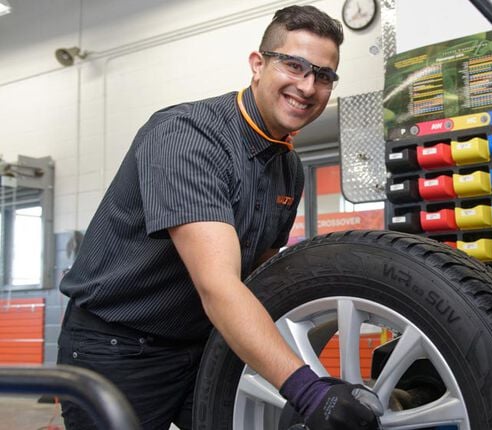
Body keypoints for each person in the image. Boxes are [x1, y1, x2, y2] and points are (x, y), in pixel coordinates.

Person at [57, 5, 383, 430]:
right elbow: (219, 285)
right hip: (117, 346)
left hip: (202, 343)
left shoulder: (288, 166)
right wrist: (308, 389)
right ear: (257, 65)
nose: (307, 86)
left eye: (323, 76)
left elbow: (262, 275)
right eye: (294, 65)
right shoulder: (187, 136)